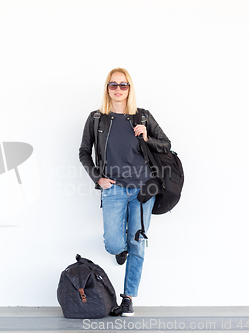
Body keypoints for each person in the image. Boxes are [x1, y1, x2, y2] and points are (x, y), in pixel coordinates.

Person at [79, 68, 171, 316]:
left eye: (123, 85)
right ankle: (121, 250)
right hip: (113, 189)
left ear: (130, 88)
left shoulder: (142, 116)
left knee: (138, 244)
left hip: (144, 189)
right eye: (113, 85)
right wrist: (98, 177)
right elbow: (84, 152)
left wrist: (147, 137)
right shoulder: (97, 118)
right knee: (113, 242)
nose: (118, 89)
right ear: (107, 88)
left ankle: (128, 298)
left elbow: (166, 145)